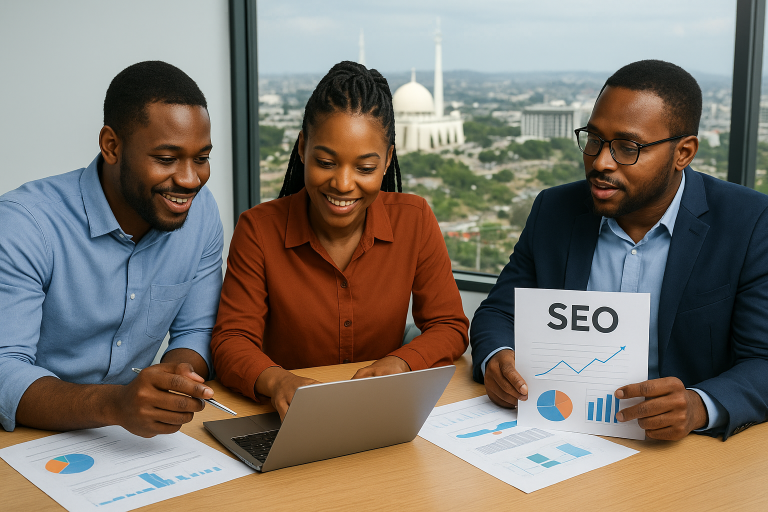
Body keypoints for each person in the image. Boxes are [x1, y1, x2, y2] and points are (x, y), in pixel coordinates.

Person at [470, 60, 768, 441]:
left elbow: (762, 360)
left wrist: (697, 405)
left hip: (680, 449)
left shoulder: (749, 222)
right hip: (561, 428)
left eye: (628, 147)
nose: (600, 162)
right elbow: (498, 311)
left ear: (684, 153)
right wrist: (497, 357)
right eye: (594, 139)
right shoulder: (553, 210)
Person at [211, 61, 468, 420]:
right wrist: (277, 382)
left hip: (377, 414)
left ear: (387, 161)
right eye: (326, 162)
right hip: (285, 418)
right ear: (302, 149)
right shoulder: (258, 229)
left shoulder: (415, 219)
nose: (343, 184)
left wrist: (400, 363)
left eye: (364, 168)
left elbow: (449, 326)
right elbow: (231, 341)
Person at [0, 61, 224, 437]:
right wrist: (116, 404)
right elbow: (5, 367)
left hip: (129, 439)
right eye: (167, 159)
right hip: (27, 438)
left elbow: (196, 331)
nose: (190, 179)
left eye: (201, 158)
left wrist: (178, 381)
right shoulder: (25, 224)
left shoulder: (200, 213)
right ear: (111, 146)